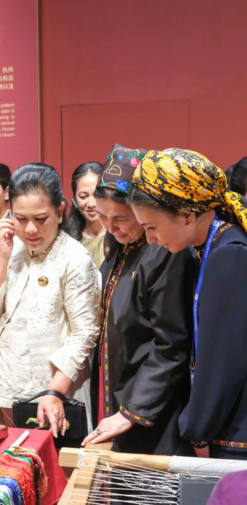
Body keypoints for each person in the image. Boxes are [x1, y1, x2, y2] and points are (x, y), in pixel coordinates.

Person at [130, 148, 247, 460]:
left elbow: (224, 363)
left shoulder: (229, 254)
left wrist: (196, 428)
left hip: (235, 437)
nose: (150, 239)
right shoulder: (212, 247)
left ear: (186, 214)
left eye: (151, 227)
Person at [82, 144, 196, 456]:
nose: (110, 227)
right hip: (120, 392)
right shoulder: (120, 247)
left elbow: (171, 344)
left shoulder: (165, 250)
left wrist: (131, 411)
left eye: (120, 217)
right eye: (102, 217)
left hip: (153, 407)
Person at [0, 163, 100, 437]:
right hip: (0, 387)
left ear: (60, 210)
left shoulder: (74, 258)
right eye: (20, 218)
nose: (30, 229)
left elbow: (85, 334)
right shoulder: (13, 248)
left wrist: (55, 391)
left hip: (50, 394)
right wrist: (2, 256)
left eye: (41, 218)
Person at [67, 161, 106, 267]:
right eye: (83, 196)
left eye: (96, 195)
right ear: (74, 198)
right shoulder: (67, 239)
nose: (91, 204)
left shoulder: (121, 235)